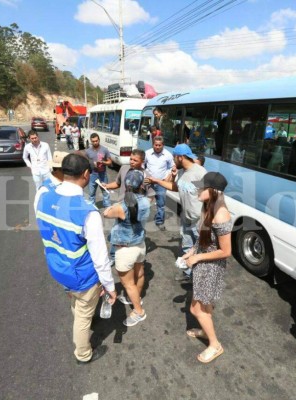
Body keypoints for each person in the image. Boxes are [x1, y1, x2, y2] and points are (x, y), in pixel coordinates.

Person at [34, 153, 116, 364]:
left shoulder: (43, 196)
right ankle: (83, 353)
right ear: (86, 174)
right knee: (83, 316)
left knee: (76, 301)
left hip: (57, 266)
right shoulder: (88, 212)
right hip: (81, 275)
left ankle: (80, 310)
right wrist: (109, 285)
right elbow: (100, 257)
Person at [183, 172, 232, 364]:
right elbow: (203, 237)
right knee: (204, 304)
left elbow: (226, 251)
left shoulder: (221, 214)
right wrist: (192, 251)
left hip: (210, 267)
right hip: (203, 263)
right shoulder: (208, 206)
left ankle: (215, 345)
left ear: (213, 191)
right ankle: (205, 329)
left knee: (196, 310)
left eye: (202, 187)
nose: (197, 189)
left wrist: (197, 257)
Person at [146, 144, 207, 283]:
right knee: (186, 247)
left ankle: (201, 280)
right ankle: (188, 274)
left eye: (174, 158)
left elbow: (211, 196)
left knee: (202, 251)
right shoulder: (181, 171)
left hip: (200, 221)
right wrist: (157, 180)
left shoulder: (200, 172)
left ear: (181, 157)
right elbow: (175, 187)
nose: (173, 161)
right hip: (186, 218)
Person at [103, 170, 151, 327]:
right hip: (140, 245)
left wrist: (114, 205)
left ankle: (139, 312)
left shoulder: (121, 206)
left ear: (126, 185)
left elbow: (106, 213)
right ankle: (134, 297)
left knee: (128, 283)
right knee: (140, 273)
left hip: (125, 250)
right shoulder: (146, 201)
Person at [144, 136, 174, 230]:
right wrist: (145, 176)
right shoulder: (147, 153)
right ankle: (141, 221)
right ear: (153, 144)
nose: (157, 147)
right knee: (144, 202)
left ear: (163, 145)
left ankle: (159, 221)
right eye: (155, 145)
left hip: (161, 184)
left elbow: (171, 167)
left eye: (159, 145)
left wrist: (167, 178)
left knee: (161, 204)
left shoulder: (168, 155)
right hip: (148, 183)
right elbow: (142, 165)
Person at [85, 133, 113, 207]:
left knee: (105, 192)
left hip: (102, 174)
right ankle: (91, 208)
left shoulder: (104, 150)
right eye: (93, 141)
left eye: (96, 141)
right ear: (91, 141)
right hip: (92, 175)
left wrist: (103, 162)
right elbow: (85, 163)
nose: (95, 142)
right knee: (91, 194)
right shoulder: (87, 151)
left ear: (99, 140)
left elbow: (110, 162)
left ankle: (107, 207)